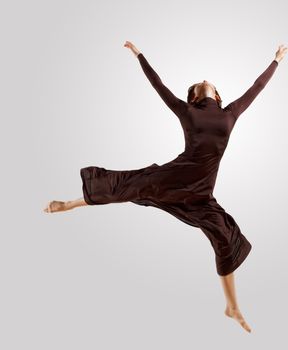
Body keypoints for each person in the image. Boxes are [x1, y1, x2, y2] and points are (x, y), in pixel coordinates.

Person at [44, 42, 287, 332]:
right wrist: (139, 56)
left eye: (210, 82)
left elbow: (256, 88)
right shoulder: (187, 111)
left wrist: (276, 61)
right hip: (173, 178)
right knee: (128, 186)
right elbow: (157, 84)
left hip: (200, 193)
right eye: (201, 83)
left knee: (223, 235)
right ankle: (68, 205)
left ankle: (232, 306)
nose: (206, 80)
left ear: (218, 95)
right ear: (195, 95)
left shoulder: (230, 113)